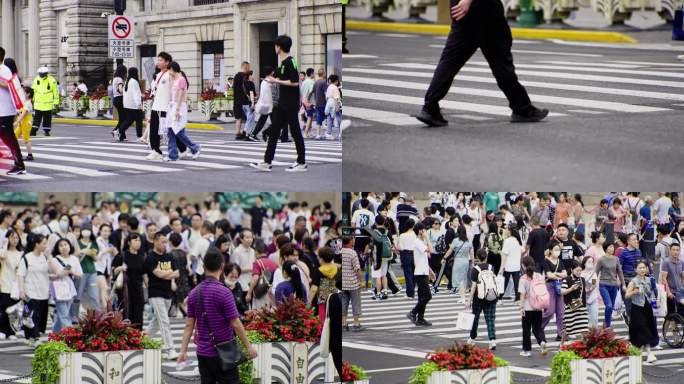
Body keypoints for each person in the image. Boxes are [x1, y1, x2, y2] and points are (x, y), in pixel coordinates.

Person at [415, 0, 548, 126]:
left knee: (450, 62)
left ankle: (430, 107)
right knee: (501, 62)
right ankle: (522, 109)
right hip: (482, 9)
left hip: (463, 10)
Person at [177, 247, 258, 383]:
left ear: (203, 267)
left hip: (203, 353)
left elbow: (189, 325)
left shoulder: (194, 293)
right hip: (224, 352)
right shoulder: (224, 292)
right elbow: (235, 323)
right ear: (222, 267)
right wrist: (248, 346)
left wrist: (183, 351)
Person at [250, 35, 307, 172]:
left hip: (290, 104)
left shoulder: (290, 62)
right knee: (275, 131)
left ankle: (301, 162)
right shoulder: (283, 63)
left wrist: (276, 81)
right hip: (282, 103)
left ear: (279, 47)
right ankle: (267, 162)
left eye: (276, 45)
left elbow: (294, 82)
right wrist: (273, 78)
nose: (275, 48)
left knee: (295, 132)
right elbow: (280, 76)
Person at [144, 232, 179, 360]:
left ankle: (143, 340)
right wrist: (169, 273)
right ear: (155, 241)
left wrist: (168, 274)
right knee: (164, 321)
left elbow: (177, 273)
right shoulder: (150, 258)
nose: (165, 244)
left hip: (167, 293)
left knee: (156, 321)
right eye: (163, 242)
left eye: (166, 242)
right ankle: (170, 349)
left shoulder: (169, 256)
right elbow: (159, 274)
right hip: (155, 293)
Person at [148, 52, 186, 160]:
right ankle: (156, 151)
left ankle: (183, 148)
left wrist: (177, 105)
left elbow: (179, 86)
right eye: (158, 60)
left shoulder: (170, 74)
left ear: (167, 62)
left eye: (161, 60)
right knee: (154, 130)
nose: (158, 62)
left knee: (171, 130)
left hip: (166, 107)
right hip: (156, 106)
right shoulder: (158, 75)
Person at [17, 235, 49, 347]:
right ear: (37, 244)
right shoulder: (27, 258)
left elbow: (48, 274)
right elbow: (20, 275)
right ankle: (35, 338)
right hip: (30, 292)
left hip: (44, 292)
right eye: (44, 243)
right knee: (32, 316)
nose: (46, 246)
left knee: (39, 317)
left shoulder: (45, 257)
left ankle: (30, 337)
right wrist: (21, 290)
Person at [165, 61, 201, 162]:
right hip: (173, 106)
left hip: (179, 106)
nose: (168, 72)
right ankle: (172, 155)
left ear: (172, 69)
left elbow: (181, 95)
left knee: (178, 131)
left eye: (169, 69)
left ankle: (195, 147)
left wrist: (177, 109)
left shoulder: (181, 79)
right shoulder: (174, 79)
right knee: (171, 131)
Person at [626, 260, 658, 364]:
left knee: (647, 329)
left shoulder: (649, 279)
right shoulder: (633, 281)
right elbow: (626, 295)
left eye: (644, 267)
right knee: (643, 329)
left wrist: (656, 300)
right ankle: (649, 354)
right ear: (635, 270)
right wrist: (634, 292)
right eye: (640, 268)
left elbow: (654, 292)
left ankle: (638, 354)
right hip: (637, 308)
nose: (642, 269)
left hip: (647, 307)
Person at [0, 48, 26, 175]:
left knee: (10, 138)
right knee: (7, 138)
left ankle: (19, 164)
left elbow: (11, 86)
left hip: (5, 111)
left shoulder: (4, 70)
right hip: (2, 110)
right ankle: (18, 163)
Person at [112, 233, 145, 329]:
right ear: (129, 242)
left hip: (138, 288)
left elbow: (144, 275)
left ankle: (138, 336)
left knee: (138, 314)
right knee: (126, 312)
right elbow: (113, 271)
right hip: (125, 289)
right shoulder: (122, 255)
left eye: (139, 241)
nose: (138, 243)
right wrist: (120, 268)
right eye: (135, 240)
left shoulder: (141, 257)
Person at [3, 59, 33, 161]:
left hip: (23, 120)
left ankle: (28, 155)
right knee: (13, 136)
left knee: (25, 138)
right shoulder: (13, 78)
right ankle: (14, 154)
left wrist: (17, 121)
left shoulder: (13, 79)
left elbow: (24, 112)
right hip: (17, 116)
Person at [49, 238, 82, 332]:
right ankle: (72, 336)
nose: (64, 247)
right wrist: (64, 272)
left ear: (69, 246)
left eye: (66, 244)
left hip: (70, 289)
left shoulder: (74, 259)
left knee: (62, 315)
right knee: (64, 315)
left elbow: (80, 274)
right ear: (57, 248)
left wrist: (71, 271)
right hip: (58, 288)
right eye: (61, 245)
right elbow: (58, 274)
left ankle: (54, 336)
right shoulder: (54, 260)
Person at [467, 248, 498, 350]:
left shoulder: (475, 269)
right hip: (491, 296)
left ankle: (472, 339)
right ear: (486, 257)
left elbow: (474, 286)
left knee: (475, 318)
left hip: (478, 298)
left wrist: (469, 300)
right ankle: (492, 340)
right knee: (490, 319)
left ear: (477, 257)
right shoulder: (491, 267)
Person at [406, 223, 435, 327]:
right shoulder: (417, 242)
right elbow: (431, 250)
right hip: (420, 273)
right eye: (424, 230)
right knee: (427, 296)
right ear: (420, 231)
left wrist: (430, 271)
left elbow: (425, 258)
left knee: (422, 297)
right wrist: (427, 238)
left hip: (423, 272)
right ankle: (413, 313)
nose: (425, 232)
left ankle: (420, 319)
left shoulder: (420, 242)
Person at [518, 256, 548, 357]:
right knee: (538, 328)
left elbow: (522, 295)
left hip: (527, 307)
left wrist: (521, 307)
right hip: (538, 306)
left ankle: (527, 350)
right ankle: (542, 341)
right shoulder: (539, 275)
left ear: (523, 265)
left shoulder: (523, 278)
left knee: (526, 329)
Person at [595, 242, 626, 328]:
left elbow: (620, 272)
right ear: (605, 248)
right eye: (610, 247)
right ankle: (607, 326)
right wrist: (593, 284)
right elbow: (595, 273)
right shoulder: (601, 259)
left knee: (611, 307)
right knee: (608, 305)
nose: (612, 249)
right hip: (603, 285)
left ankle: (606, 326)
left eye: (613, 247)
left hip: (614, 285)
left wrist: (623, 284)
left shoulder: (616, 259)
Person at [541, 241, 567, 341]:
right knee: (550, 311)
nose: (557, 251)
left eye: (558, 250)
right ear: (550, 250)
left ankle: (560, 334)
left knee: (561, 312)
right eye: (555, 249)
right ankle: (539, 327)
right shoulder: (545, 261)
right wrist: (559, 274)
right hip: (549, 286)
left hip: (559, 286)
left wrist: (556, 274)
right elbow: (549, 275)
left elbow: (565, 274)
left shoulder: (560, 261)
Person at [442, 224, 473, 304]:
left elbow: (450, 251)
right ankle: (462, 297)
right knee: (463, 279)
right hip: (466, 261)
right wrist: (472, 262)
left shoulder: (456, 240)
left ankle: (462, 297)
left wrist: (444, 258)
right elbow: (472, 253)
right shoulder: (468, 241)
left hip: (458, 261)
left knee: (459, 280)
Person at [0, 230, 22, 339]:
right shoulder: (4, 252)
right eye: (12, 237)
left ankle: (11, 331)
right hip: (5, 282)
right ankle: (2, 330)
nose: (15, 240)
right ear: (8, 239)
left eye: (17, 238)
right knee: (4, 307)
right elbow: (2, 257)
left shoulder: (21, 253)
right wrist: (4, 243)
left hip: (16, 285)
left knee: (14, 309)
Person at [560, 260, 588, 342]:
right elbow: (562, 291)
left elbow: (583, 292)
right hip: (570, 307)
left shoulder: (582, 279)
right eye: (577, 270)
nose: (579, 272)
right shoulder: (567, 279)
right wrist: (571, 289)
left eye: (580, 270)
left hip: (581, 307)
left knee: (584, 327)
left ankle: (585, 346)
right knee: (568, 329)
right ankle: (561, 344)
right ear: (572, 270)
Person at [310, 246, 340, 323]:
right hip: (335, 297)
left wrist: (308, 303)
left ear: (322, 259)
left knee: (324, 321)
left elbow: (313, 289)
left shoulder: (319, 271)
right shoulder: (336, 268)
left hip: (323, 299)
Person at [341, 235, 363, 332]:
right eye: (353, 239)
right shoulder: (352, 253)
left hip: (342, 283)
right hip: (352, 283)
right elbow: (357, 269)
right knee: (355, 303)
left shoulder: (340, 252)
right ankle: (356, 323)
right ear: (350, 241)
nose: (354, 240)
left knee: (344, 303)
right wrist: (361, 281)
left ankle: (344, 323)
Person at [31, 66, 59, 136]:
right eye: (40, 73)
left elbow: (55, 92)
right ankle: (33, 131)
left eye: (42, 74)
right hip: (38, 103)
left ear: (46, 73)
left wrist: (56, 103)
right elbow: (33, 90)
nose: (41, 75)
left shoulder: (52, 80)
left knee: (47, 119)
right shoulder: (36, 79)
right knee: (36, 119)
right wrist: (31, 100)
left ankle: (46, 131)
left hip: (47, 104)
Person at [95, 224, 117, 309]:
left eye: (108, 231)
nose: (106, 233)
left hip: (107, 271)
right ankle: (107, 313)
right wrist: (104, 251)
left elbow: (114, 255)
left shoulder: (109, 243)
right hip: (98, 269)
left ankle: (102, 314)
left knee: (104, 292)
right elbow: (96, 257)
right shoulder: (96, 241)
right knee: (103, 290)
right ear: (100, 231)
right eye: (104, 230)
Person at [249, 67, 274, 142]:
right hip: (270, 104)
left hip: (264, 104)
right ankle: (267, 133)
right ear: (271, 72)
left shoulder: (263, 82)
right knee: (276, 121)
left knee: (262, 120)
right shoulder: (270, 81)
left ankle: (254, 134)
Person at [119, 67, 144, 142]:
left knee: (129, 120)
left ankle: (120, 131)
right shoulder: (134, 82)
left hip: (127, 105)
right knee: (139, 121)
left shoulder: (127, 81)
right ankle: (139, 136)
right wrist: (139, 104)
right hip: (134, 105)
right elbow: (136, 94)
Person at [659, 242, 684, 316]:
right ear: (670, 250)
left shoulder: (681, 262)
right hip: (671, 292)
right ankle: (671, 327)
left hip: (680, 291)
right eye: (673, 250)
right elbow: (664, 279)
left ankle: (677, 326)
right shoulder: (666, 262)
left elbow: (682, 277)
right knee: (671, 313)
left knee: (681, 312)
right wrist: (668, 292)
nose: (676, 252)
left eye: (677, 250)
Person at [500, 224, 523, 301]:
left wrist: (501, 267)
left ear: (510, 231)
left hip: (508, 265)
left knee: (504, 283)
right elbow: (522, 251)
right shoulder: (519, 241)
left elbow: (504, 255)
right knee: (517, 283)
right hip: (516, 265)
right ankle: (518, 298)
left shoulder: (507, 241)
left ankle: (499, 298)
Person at [232, 61, 251, 141]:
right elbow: (247, 88)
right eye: (248, 67)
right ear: (245, 67)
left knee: (238, 118)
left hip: (236, 100)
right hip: (243, 100)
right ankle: (245, 132)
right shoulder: (244, 77)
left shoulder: (236, 76)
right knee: (249, 117)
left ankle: (238, 133)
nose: (249, 69)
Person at [398, 218, 416, 298]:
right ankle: (412, 290)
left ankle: (410, 292)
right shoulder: (415, 235)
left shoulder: (402, 235)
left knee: (408, 274)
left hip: (405, 254)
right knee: (413, 273)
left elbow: (401, 247)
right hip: (415, 254)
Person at [580, 256, 600, 329]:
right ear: (584, 263)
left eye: (592, 262)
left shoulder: (593, 274)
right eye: (589, 262)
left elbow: (594, 284)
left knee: (594, 319)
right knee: (584, 320)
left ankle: (594, 336)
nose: (590, 263)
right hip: (583, 300)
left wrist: (589, 289)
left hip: (593, 298)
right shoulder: (580, 273)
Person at [111, 65, 127, 140]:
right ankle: (116, 130)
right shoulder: (120, 79)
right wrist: (126, 93)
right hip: (120, 99)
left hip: (116, 99)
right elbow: (120, 90)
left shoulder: (115, 79)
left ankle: (122, 136)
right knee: (123, 118)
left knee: (122, 117)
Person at [324, 75, 342, 141]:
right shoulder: (335, 87)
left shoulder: (329, 87)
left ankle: (328, 133)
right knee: (339, 118)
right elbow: (337, 98)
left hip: (329, 103)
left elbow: (326, 97)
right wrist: (337, 106)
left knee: (329, 119)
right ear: (336, 81)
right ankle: (341, 132)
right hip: (334, 103)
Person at [312, 69, 328, 139]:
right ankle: (327, 132)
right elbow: (326, 93)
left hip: (317, 103)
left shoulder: (316, 82)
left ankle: (318, 134)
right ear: (324, 74)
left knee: (319, 118)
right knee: (329, 116)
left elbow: (312, 92)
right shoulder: (324, 82)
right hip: (323, 103)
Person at [301, 68, 316, 138]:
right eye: (314, 73)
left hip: (303, 100)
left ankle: (309, 132)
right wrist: (308, 100)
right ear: (311, 74)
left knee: (310, 116)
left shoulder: (304, 82)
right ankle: (306, 133)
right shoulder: (311, 82)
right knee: (310, 117)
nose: (315, 74)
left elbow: (301, 92)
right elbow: (311, 91)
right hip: (309, 102)